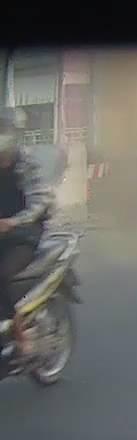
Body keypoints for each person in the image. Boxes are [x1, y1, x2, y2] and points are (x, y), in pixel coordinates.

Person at [0, 107, 54, 358]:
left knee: (2, 275)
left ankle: (20, 334)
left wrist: (13, 222)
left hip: (25, 234)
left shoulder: (26, 164)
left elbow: (40, 201)